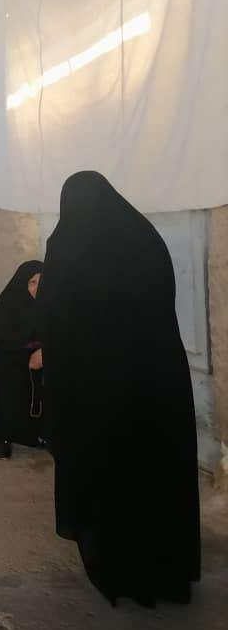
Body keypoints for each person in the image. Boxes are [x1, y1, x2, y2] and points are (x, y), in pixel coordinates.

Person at [39, 171, 200, 606]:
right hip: (157, 385)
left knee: (108, 479)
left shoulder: (69, 247)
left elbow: (53, 320)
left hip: (94, 395)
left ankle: (119, 572)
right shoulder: (144, 238)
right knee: (155, 475)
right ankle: (166, 574)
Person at [0, 260, 45, 460]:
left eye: (42, 282)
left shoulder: (50, 304)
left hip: (40, 354)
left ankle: (39, 433)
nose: (38, 288)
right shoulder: (10, 303)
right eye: (32, 282)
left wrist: (43, 352)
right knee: (11, 381)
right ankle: (2, 439)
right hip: (8, 355)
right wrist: (23, 358)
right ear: (22, 283)